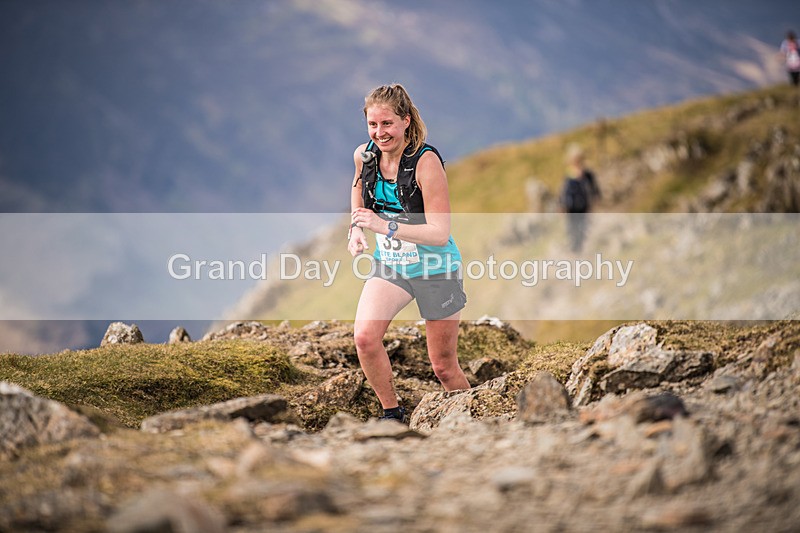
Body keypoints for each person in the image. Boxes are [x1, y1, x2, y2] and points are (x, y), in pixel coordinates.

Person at [348, 84, 470, 423]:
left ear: (405, 121)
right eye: (373, 125)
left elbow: (438, 232)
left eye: (387, 124)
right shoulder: (365, 155)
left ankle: (476, 425)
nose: (379, 133)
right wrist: (357, 229)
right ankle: (393, 413)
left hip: (436, 267)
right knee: (365, 338)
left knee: (444, 368)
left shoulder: (426, 161)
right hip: (392, 266)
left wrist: (384, 226)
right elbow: (357, 190)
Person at [559, 143, 600, 253]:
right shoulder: (568, 175)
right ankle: (574, 251)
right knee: (572, 230)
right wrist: (562, 205)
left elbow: (595, 189)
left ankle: (581, 251)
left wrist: (595, 200)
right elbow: (564, 192)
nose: (576, 161)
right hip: (571, 208)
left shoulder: (587, 174)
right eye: (574, 159)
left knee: (583, 229)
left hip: (584, 206)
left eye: (578, 158)